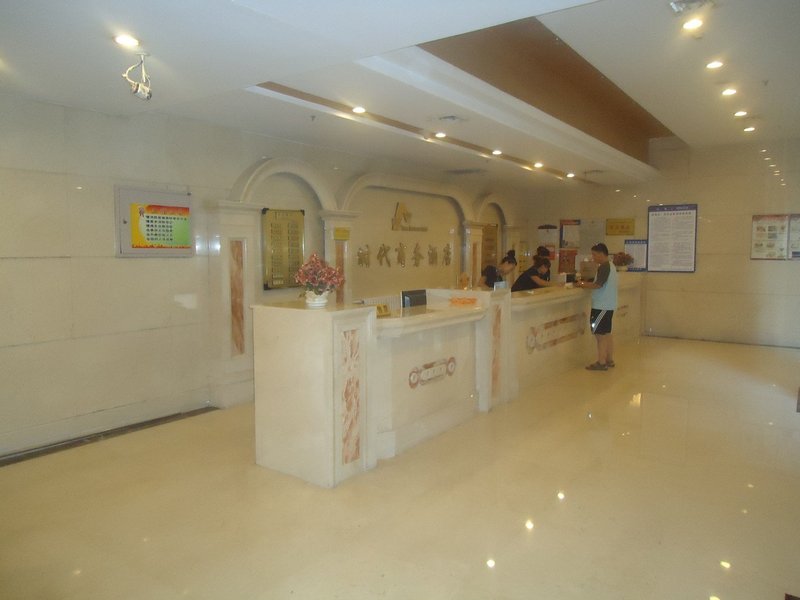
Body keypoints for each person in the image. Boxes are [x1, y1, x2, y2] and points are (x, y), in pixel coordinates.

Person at [576, 243, 618, 371]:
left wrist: (582, 284)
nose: (593, 257)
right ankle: (609, 359)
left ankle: (601, 362)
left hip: (601, 306)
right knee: (606, 333)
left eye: (594, 254)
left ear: (601, 254)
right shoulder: (611, 266)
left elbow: (598, 285)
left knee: (600, 335)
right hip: (608, 305)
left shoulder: (604, 266)